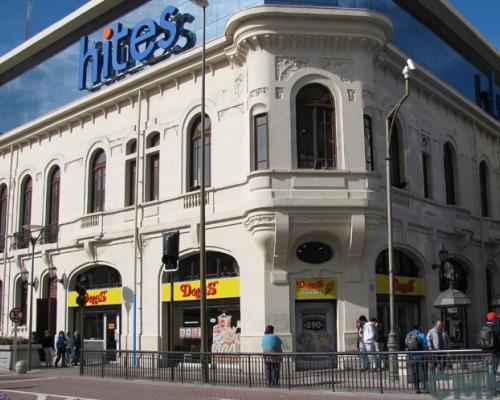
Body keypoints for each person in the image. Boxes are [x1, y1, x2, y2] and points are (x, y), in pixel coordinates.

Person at [478, 312, 500, 395]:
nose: (497, 320)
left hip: (485, 353)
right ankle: (492, 390)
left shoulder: (483, 327)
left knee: (490, 371)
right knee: (493, 372)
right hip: (494, 353)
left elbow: (478, 341)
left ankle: (490, 389)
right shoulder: (495, 328)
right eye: (496, 318)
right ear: (493, 319)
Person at [405, 323, 429, 394]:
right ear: (419, 328)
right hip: (422, 356)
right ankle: (424, 387)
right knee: (423, 372)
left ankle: (416, 388)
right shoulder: (421, 334)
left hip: (412, 356)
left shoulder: (408, 335)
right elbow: (425, 345)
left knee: (414, 372)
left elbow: (406, 345)